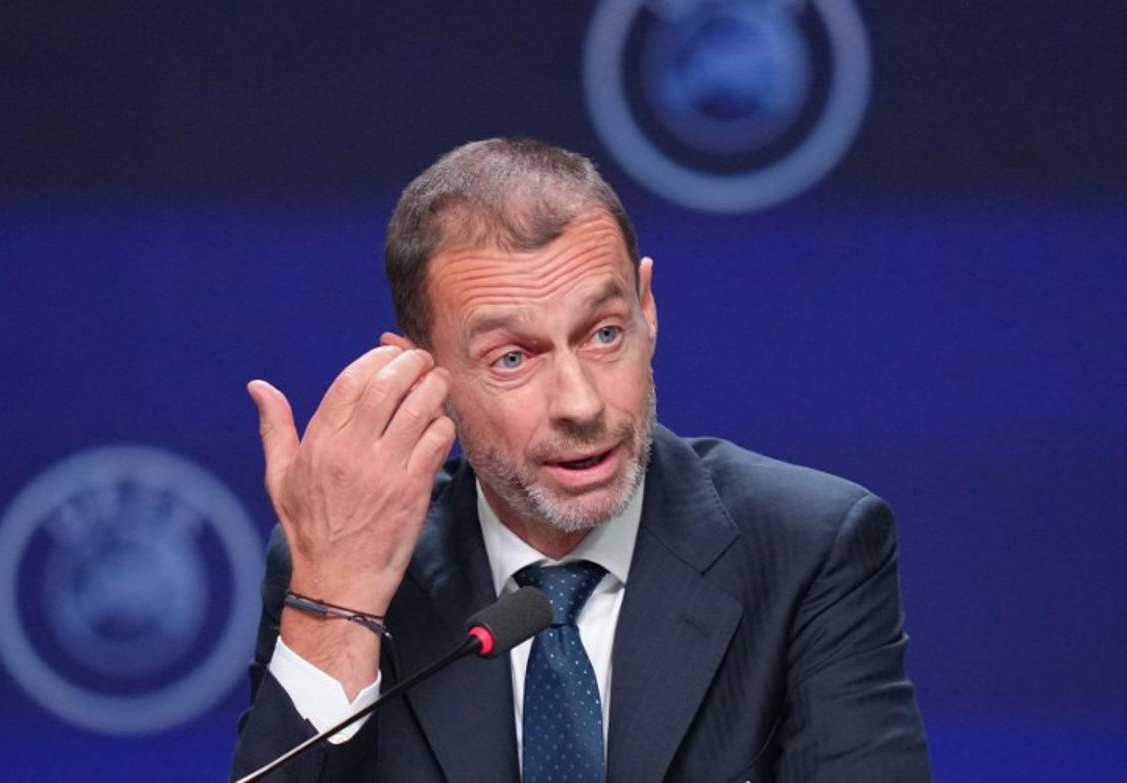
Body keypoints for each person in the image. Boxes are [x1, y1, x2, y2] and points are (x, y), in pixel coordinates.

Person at [230, 138, 930, 782]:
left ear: (647, 310)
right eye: (512, 357)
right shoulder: (339, 572)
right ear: (421, 371)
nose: (580, 402)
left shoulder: (807, 549)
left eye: (603, 333)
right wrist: (333, 609)